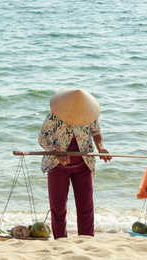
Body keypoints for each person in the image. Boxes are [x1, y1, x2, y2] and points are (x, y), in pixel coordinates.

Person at [38, 88, 111, 238]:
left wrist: (101, 147)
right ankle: (60, 242)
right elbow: (42, 138)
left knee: (86, 208)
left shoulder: (89, 115)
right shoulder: (55, 117)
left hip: (83, 165)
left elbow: (96, 132)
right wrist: (57, 153)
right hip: (57, 166)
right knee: (58, 209)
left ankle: (86, 241)